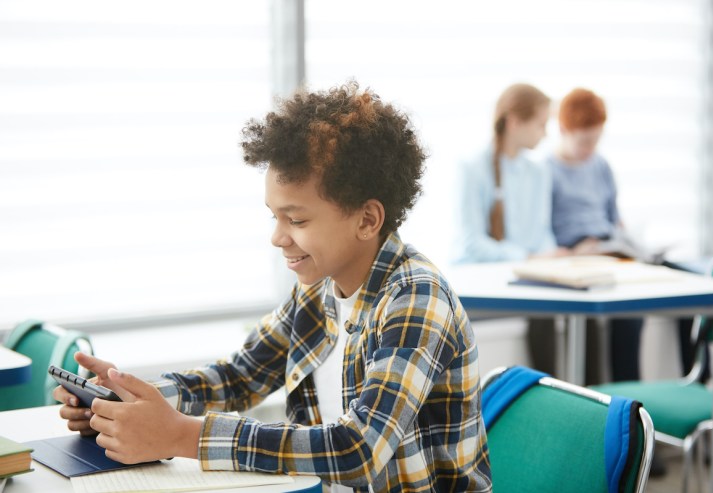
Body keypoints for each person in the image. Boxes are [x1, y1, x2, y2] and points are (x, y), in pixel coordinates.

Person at [53, 83, 492, 493]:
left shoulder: (415, 298)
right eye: (274, 217)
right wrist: (128, 399)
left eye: (297, 220)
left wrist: (182, 435)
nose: (278, 237)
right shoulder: (317, 291)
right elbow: (239, 377)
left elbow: (358, 448)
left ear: (367, 219)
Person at [451, 83, 568, 376]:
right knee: (544, 315)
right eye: (541, 124)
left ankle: (594, 407)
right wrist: (527, 260)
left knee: (584, 313)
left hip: (527, 276)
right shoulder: (472, 167)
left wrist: (548, 259)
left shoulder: (539, 171)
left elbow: (542, 233)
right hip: (482, 280)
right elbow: (471, 243)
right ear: (515, 122)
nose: (545, 133)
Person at [548, 87, 643, 382]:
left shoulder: (601, 166)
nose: (591, 148)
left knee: (678, 288)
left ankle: (694, 373)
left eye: (597, 140)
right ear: (564, 129)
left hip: (612, 247)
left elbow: (614, 218)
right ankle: (622, 397)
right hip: (577, 254)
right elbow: (542, 229)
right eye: (585, 141)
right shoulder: (546, 170)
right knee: (624, 317)